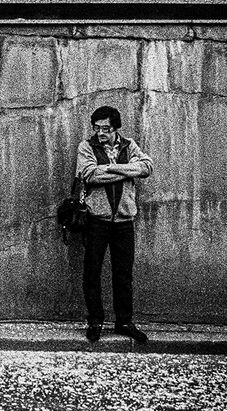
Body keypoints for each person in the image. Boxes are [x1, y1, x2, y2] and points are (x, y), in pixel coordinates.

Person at [75, 106, 153, 344]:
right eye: (97, 128)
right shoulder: (86, 147)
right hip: (96, 220)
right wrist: (128, 171)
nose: (101, 133)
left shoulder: (129, 146)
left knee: (123, 274)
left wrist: (110, 167)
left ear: (116, 128)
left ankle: (124, 322)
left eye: (106, 129)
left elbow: (147, 167)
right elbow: (89, 174)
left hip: (124, 221)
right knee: (92, 272)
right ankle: (95, 321)